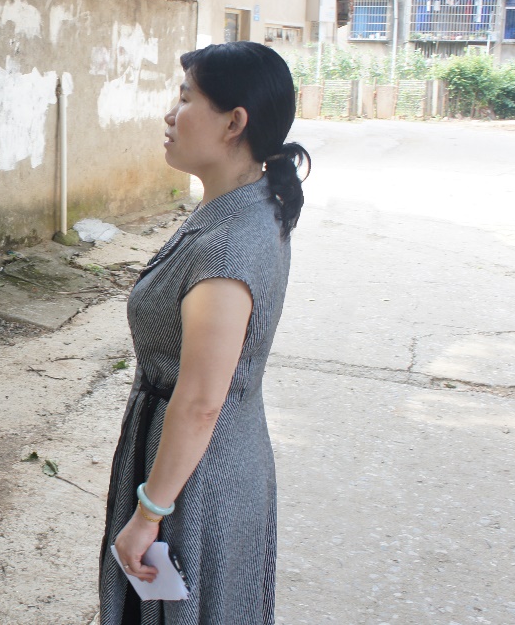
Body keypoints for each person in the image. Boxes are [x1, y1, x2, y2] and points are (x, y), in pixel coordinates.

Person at [100, 41, 310, 625]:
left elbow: (198, 403)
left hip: (198, 478)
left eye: (186, 98)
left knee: (179, 611)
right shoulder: (246, 204)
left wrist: (148, 513)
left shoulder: (228, 243)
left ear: (234, 123)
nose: (170, 114)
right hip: (210, 459)